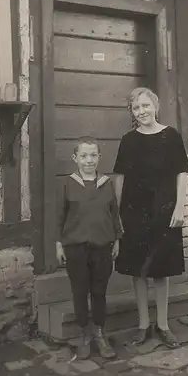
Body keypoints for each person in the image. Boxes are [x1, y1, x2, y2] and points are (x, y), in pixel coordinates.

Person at [113, 87, 188, 348]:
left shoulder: (171, 136)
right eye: (136, 108)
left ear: (155, 106)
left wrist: (179, 207)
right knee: (138, 269)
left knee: (161, 269)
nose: (142, 111)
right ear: (132, 113)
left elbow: (182, 172)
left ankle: (164, 324)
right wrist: (118, 213)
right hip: (134, 211)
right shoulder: (128, 140)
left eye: (146, 106)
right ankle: (143, 324)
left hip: (164, 209)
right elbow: (120, 176)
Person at [56, 136, 121, 360]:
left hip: (102, 245)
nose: (89, 160)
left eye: (93, 155)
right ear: (75, 158)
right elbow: (60, 216)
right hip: (75, 247)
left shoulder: (106, 183)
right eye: (83, 156)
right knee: (80, 290)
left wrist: (117, 240)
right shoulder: (67, 183)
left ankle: (100, 332)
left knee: (99, 291)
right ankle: (84, 333)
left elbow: (114, 213)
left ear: (99, 157)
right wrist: (59, 244)